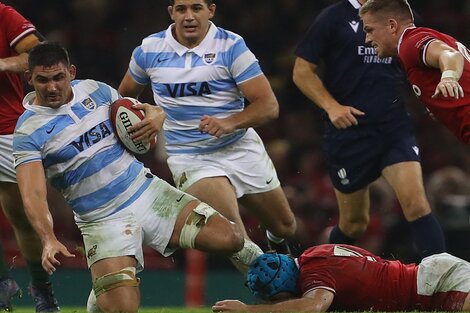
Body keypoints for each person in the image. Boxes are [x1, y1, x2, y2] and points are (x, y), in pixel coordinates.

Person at [13, 42, 261, 313]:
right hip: (101, 219)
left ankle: (282, 277)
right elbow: (32, 194)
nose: (52, 87)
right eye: (43, 80)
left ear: (71, 72)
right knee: (122, 310)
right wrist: (47, 238)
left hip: (147, 192)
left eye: (58, 77)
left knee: (232, 238)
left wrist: (157, 115)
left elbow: (141, 112)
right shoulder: (28, 131)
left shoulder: (97, 90)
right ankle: (103, 294)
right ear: (29, 79)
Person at [118, 0, 296, 258]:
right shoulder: (148, 50)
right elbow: (123, 101)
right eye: (181, 9)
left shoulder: (231, 46)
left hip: (240, 147)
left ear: (210, 11)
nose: (189, 16)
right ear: (171, 13)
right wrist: (154, 115)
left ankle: (277, 245)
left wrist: (229, 122)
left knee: (286, 226)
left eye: (196, 8)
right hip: (190, 157)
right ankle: (279, 294)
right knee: (236, 238)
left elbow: (269, 106)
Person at [292, 0, 445, 258]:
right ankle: (312, 266)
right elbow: (301, 72)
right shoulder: (333, 17)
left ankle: (446, 283)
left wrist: (432, 98)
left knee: (416, 204)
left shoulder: (405, 15)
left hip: (394, 127)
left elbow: (422, 62)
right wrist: (332, 107)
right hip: (349, 132)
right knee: (354, 223)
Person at [0, 2, 60, 312]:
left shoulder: (3, 15)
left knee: (22, 219)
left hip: (5, 131)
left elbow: (39, 55)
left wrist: (1, 64)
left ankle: (42, 290)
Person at [212, 244, 470, 312]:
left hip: (434, 284)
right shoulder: (315, 253)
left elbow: (311, 307)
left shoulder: (316, 274)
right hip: (428, 277)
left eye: (276, 298)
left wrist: (248, 311)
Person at [359, 0, 470, 145]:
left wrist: (449, 78)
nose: (367, 39)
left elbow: (450, 54)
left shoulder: (410, 43)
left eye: (369, 30)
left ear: (392, 26)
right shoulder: (427, 37)